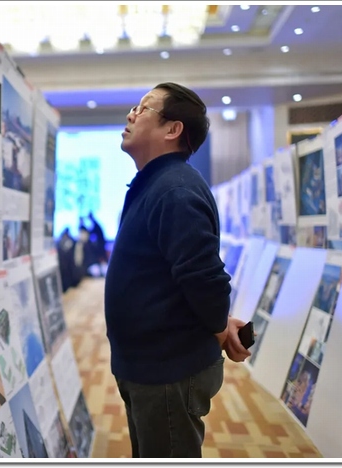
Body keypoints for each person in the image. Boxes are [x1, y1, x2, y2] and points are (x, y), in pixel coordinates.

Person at [104, 82, 252, 458]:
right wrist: (220, 324)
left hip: (167, 372)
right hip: (150, 368)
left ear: (173, 129)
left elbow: (206, 280)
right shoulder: (159, 184)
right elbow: (177, 277)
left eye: (143, 108)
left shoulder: (175, 190)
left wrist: (218, 326)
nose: (131, 114)